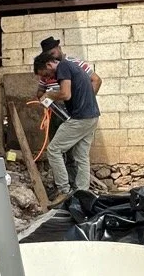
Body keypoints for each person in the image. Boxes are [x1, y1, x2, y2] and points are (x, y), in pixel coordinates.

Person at [38, 51, 102, 205]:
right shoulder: (72, 66)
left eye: (45, 74)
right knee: (81, 156)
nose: (47, 78)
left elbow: (66, 94)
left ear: (49, 64)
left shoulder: (63, 67)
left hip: (80, 118)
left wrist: (49, 94)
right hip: (92, 116)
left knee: (54, 150)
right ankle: (82, 193)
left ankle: (64, 191)